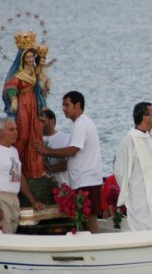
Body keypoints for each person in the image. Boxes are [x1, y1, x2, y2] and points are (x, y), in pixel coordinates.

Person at [34, 91, 103, 233]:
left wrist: (46, 151)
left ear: (78, 105)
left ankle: (96, 245)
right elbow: (72, 159)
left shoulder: (81, 124)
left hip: (87, 180)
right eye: (62, 105)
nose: (64, 109)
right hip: (84, 179)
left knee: (90, 217)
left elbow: (72, 151)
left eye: (67, 105)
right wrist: (51, 168)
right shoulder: (81, 124)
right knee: (86, 217)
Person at [114, 102, 152, 231]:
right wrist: (130, 193)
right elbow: (120, 172)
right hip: (141, 201)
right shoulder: (129, 141)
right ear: (145, 118)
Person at [0, 117, 45, 234]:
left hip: (14, 199)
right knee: (3, 234)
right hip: (1, 198)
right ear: (0, 132)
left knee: (12, 233)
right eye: (11, 130)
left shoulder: (14, 151)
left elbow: (19, 178)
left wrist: (33, 201)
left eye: (16, 129)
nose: (15, 132)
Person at [2, 37, 47, 179]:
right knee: (23, 134)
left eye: (31, 56)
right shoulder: (18, 74)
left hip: (34, 105)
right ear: (22, 58)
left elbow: (41, 88)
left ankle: (35, 170)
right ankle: (17, 167)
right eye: (27, 56)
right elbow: (10, 86)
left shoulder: (35, 71)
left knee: (36, 134)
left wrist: (43, 77)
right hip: (23, 105)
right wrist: (14, 99)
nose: (29, 59)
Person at [39, 109, 70, 186]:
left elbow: (69, 163)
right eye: (38, 121)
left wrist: (50, 169)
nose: (39, 124)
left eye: (43, 121)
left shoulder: (66, 138)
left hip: (62, 186)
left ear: (52, 121)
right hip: (41, 187)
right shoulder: (35, 140)